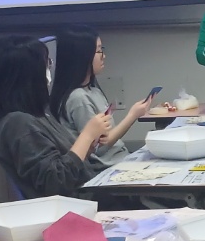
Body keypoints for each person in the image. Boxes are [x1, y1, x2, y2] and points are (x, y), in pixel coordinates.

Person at [0, 35, 111, 197]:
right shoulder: (18, 124)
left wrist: (88, 146)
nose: (49, 69)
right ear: (31, 73)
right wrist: (87, 135)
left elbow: (64, 160)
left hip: (89, 193)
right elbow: (55, 182)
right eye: (46, 63)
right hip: (78, 205)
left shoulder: (36, 113)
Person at [47, 25, 152, 170]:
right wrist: (132, 116)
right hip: (107, 169)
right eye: (98, 51)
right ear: (82, 56)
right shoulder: (78, 98)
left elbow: (107, 138)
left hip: (121, 159)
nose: (103, 56)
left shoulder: (93, 90)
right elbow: (99, 148)